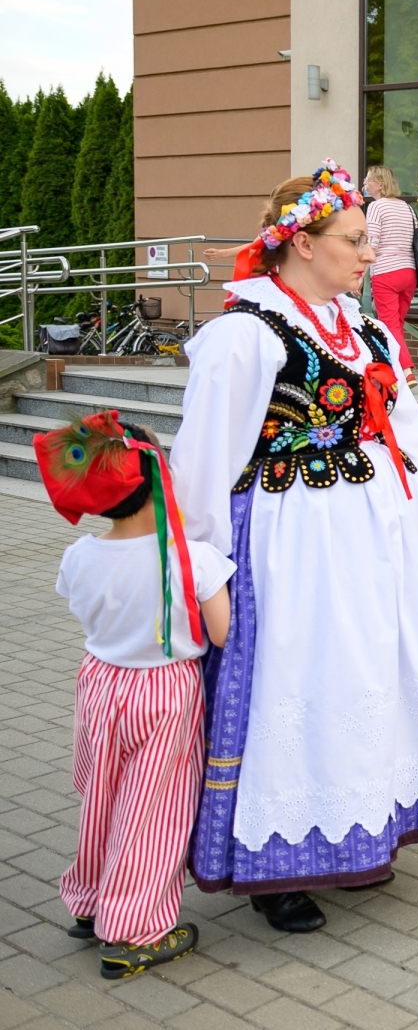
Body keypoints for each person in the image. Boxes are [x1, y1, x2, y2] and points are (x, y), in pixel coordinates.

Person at [176, 161, 418, 934]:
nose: (369, 254)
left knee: (368, 679)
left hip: (373, 541)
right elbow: (200, 466)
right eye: (353, 239)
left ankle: (359, 827)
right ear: (301, 243)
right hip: (292, 544)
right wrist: (207, 576)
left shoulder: (364, 328)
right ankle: (277, 865)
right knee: (297, 683)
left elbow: (404, 430)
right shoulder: (245, 334)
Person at [40, 415, 232, 979]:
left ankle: (91, 899)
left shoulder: (79, 556)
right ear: (155, 477)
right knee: (153, 812)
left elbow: (82, 608)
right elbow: (221, 633)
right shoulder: (192, 558)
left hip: (100, 684)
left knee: (102, 798)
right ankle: (134, 930)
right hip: (165, 691)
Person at [363, 166, 418, 388]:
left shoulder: (376, 207)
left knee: (390, 325)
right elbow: (416, 240)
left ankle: (407, 372)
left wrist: (360, 275)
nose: (365, 184)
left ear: (380, 184)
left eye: (368, 180)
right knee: (397, 324)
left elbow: (372, 244)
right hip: (409, 273)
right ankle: (397, 369)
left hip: (386, 273)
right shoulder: (407, 208)